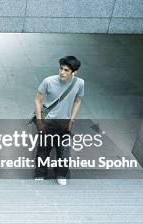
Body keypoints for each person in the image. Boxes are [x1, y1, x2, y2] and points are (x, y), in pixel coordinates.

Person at [33, 56, 84, 185]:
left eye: (66, 70)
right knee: (44, 149)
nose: (62, 72)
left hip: (64, 123)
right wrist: (39, 121)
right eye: (61, 69)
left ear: (74, 72)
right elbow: (38, 100)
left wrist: (72, 120)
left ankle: (61, 174)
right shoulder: (48, 81)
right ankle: (40, 174)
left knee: (64, 151)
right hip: (48, 122)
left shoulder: (79, 83)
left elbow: (78, 101)